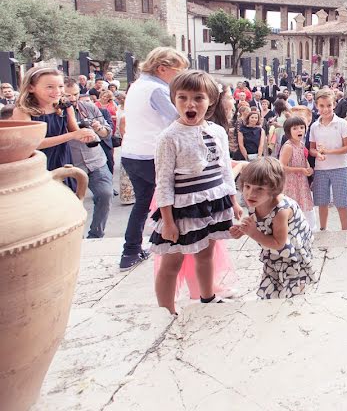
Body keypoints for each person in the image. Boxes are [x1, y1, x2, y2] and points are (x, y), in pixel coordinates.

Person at [148, 70, 240, 315]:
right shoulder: (168, 138)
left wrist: (233, 201)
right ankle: (166, 310)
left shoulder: (217, 132)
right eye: (183, 97)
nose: (190, 104)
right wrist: (168, 221)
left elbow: (225, 170)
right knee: (172, 262)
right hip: (183, 209)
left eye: (198, 98)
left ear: (210, 100)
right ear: (174, 100)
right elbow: (164, 182)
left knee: (206, 253)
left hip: (212, 203)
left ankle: (207, 296)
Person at [119, 47, 188, 271]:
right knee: (174, 200)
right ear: (162, 69)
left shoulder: (137, 85)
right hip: (151, 155)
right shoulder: (157, 89)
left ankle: (130, 252)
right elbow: (178, 118)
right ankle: (174, 247)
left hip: (131, 153)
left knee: (142, 203)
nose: (181, 77)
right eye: (179, 72)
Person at [231, 158, 315, 298]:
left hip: (291, 258)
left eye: (259, 189)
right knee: (272, 292)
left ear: (274, 189)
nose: (251, 194)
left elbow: (278, 243)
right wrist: (244, 230)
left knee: (290, 295)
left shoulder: (281, 211)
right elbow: (260, 222)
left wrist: (252, 232)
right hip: (274, 257)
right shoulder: (256, 201)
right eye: (247, 187)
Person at [12, 67, 96, 192]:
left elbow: (75, 131)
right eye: (50, 87)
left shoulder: (65, 106)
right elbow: (33, 144)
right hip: (38, 163)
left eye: (61, 86)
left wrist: (87, 134)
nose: (57, 91)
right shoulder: (23, 111)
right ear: (31, 88)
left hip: (62, 159)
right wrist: (73, 135)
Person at [62, 79, 114, 238]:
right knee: (71, 204)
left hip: (96, 161)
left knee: (105, 194)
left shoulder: (90, 107)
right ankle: (75, 236)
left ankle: (96, 234)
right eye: (68, 95)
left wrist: (99, 128)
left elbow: (108, 132)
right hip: (71, 165)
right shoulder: (56, 113)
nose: (72, 98)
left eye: (76, 94)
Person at [309, 89, 347, 230]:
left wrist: (328, 151)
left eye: (329, 105)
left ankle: (345, 231)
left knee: (341, 203)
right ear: (316, 106)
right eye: (322, 106)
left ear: (334, 104)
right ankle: (323, 229)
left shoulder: (341, 124)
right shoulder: (314, 126)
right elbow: (312, 149)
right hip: (321, 169)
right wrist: (318, 154)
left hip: (340, 167)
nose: (325, 109)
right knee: (322, 202)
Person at [279, 116, 316, 230]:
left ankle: (307, 230)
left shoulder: (301, 145)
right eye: (295, 128)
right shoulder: (288, 146)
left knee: (305, 207)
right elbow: (281, 166)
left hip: (301, 181)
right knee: (292, 207)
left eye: (301, 127)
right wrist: (300, 170)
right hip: (290, 182)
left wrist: (309, 169)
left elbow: (304, 161)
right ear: (288, 131)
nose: (299, 130)